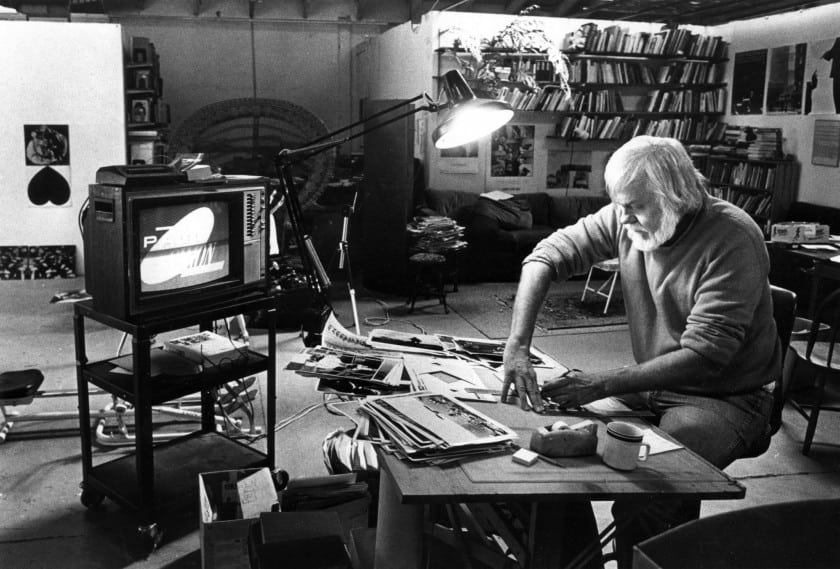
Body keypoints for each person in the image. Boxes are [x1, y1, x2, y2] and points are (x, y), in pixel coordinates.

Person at [501, 135, 779, 568]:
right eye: (619, 203)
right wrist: (518, 346)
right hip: (652, 382)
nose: (623, 217)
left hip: (725, 396)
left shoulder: (733, 237)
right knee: (545, 452)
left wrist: (600, 383)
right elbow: (545, 257)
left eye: (635, 206)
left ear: (677, 197)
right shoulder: (627, 215)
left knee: (650, 491)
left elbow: (707, 355)